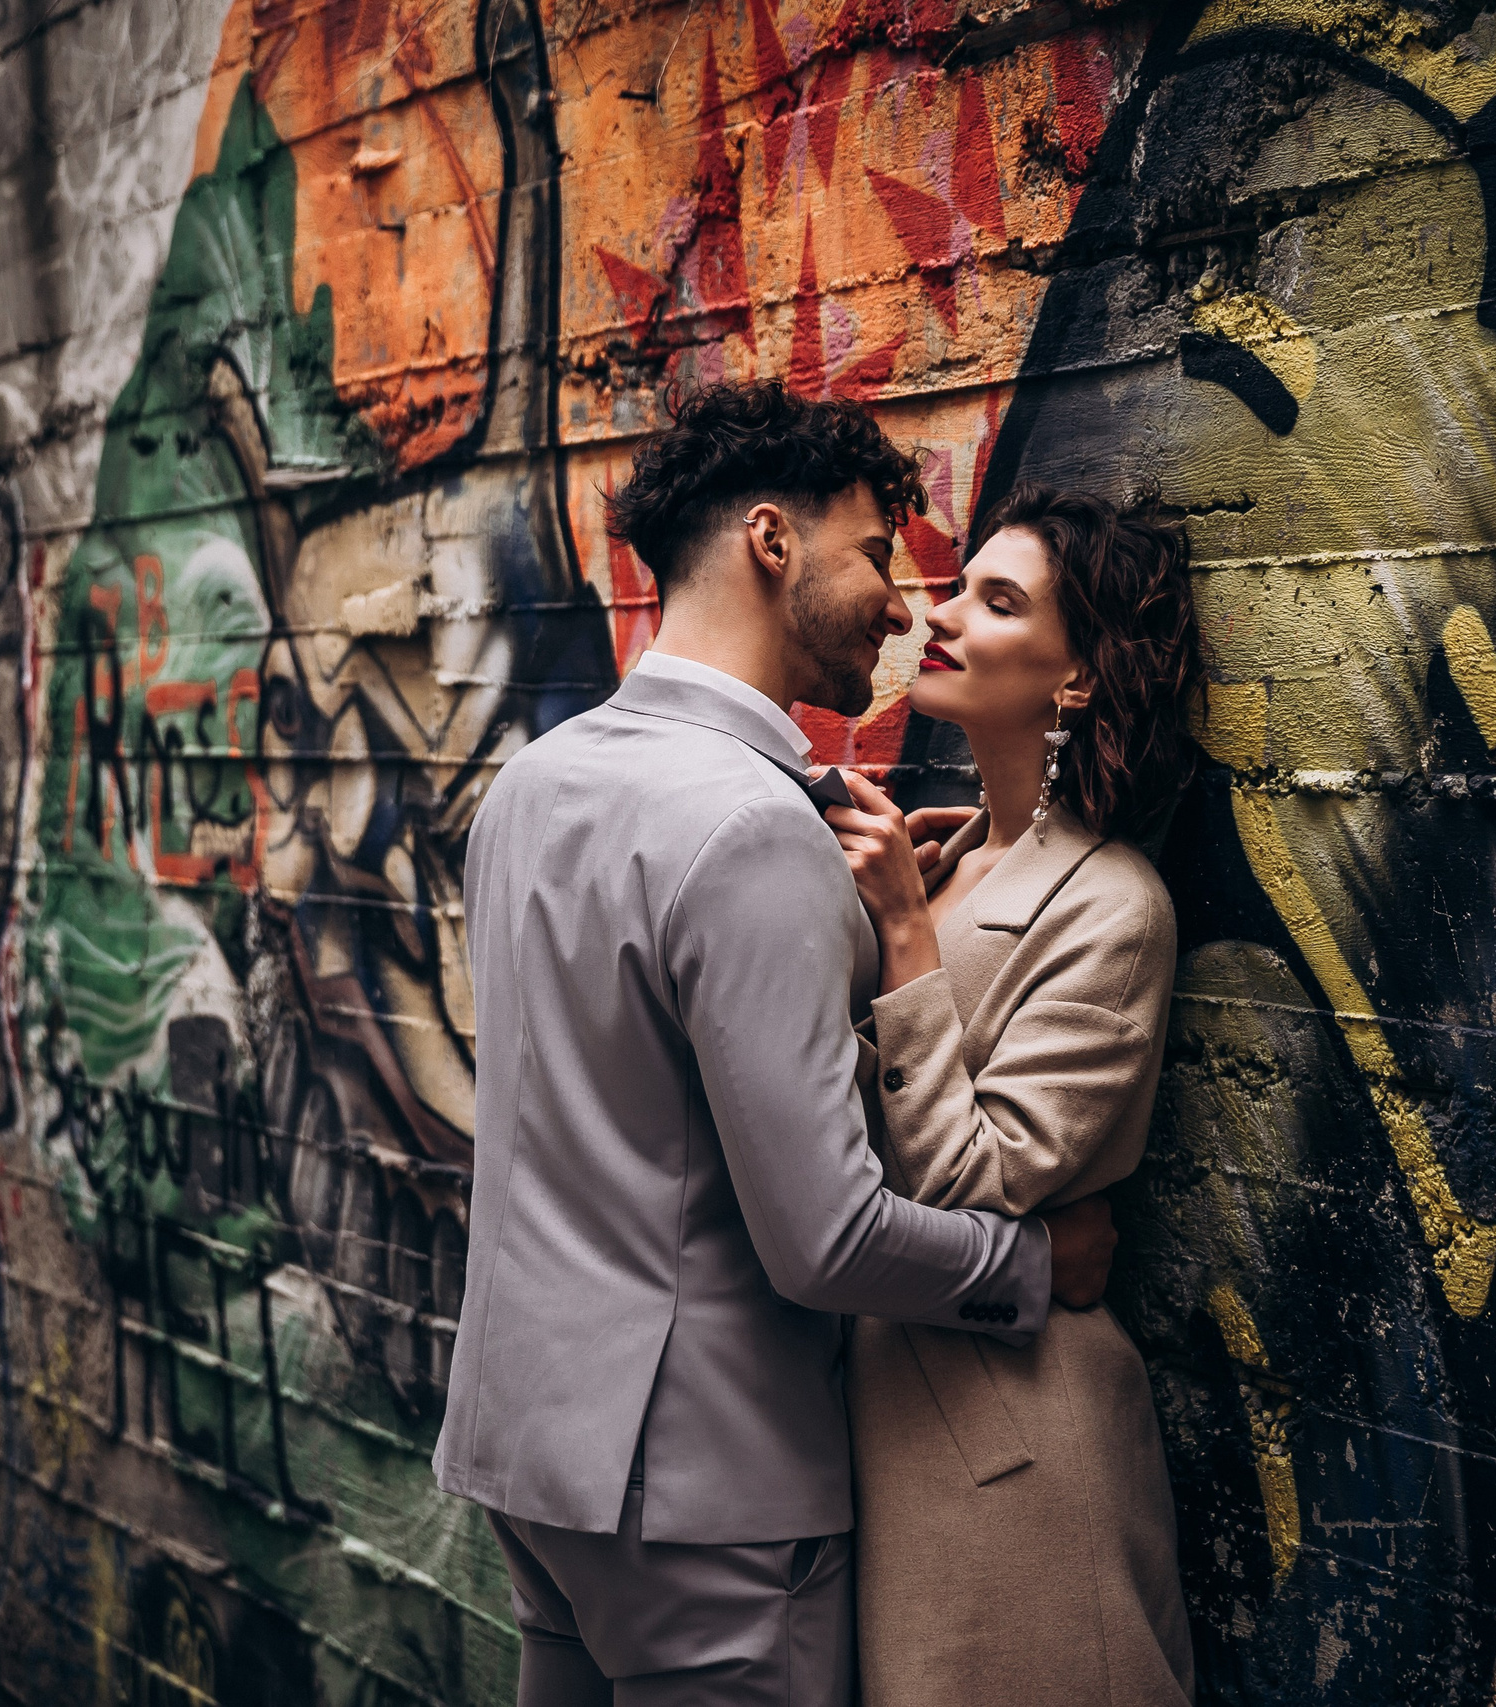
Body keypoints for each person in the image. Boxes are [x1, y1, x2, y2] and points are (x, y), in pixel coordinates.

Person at [433, 384, 1120, 1706]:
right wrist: (1035, 1262)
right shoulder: (754, 832)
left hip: (531, 1465)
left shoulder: (531, 784)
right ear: (770, 541)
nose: (899, 599)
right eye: (875, 550)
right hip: (706, 1500)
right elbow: (829, 1241)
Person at [824, 483, 1203, 1706]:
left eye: (994, 602)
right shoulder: (952, 866)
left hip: (1014, 1454)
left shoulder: (1112, 906)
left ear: (1076, 678)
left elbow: (979, 1185)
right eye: (958, 586)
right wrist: (913, 909)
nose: (937, 616)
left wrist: (903, 937)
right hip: (895, 1422)